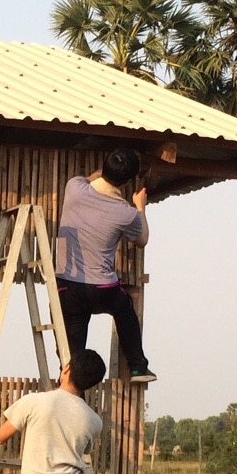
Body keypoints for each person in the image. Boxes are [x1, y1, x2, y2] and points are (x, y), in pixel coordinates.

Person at [54, 146, 155, 382]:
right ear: (128, 180)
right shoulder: (125, 213)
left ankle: (68, 379)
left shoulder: (74, 188)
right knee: (124, 311)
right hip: (101, 289)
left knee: (73, 342)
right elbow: (142, 240)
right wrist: (140, 207)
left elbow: (90, 178)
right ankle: (138, 367)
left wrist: (101, 173)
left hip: (67, 285)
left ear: (104, 168)